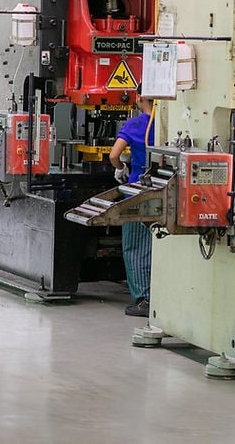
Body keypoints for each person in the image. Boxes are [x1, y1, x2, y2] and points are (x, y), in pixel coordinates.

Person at [109, 87, 155, 317]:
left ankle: (144, 299)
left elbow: (113, 155)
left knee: (136, 247)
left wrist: (121, 168)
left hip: (138, 192)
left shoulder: (136, 125)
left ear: (139, 98)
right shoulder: (170, 123)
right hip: (165, 190)